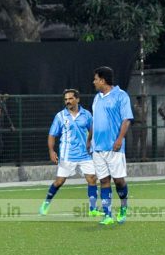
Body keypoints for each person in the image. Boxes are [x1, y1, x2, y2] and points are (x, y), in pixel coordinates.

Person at [39, 89, 98, 217]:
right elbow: (52, 135)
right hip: (67, 155)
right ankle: (46, 203)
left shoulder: (87, 115)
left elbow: (92, 130)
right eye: (66, 99)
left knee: (92, 179)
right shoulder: (60, 116)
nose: (68, 101)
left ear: (77, 99)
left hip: (85, 154)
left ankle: (93, 208)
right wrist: (51, 150)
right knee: (59, 182)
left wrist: (89, 141)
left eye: (70, 99)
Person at [91, 66, 133, 225]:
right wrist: (90, 141)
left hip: (114, 147)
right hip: (98, 148)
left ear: (103, 80)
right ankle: (107, 215)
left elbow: (126, 119)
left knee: (119, 180)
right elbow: (95, 121)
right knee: (103, 181)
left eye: (95, 79)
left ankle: (123, 207)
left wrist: (120, 139)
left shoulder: (121, 96)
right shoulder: (97, 98)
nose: (93, 82)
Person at [130, 95, 148, 161]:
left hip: (144, 124)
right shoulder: (135, 106)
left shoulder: (145, 106)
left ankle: (143, 156)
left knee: (143, 141)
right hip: (137, 123)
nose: (142, 100)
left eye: (143, 99)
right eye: (141, 99)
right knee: (135, 141)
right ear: (138, 99)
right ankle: (134, 156)